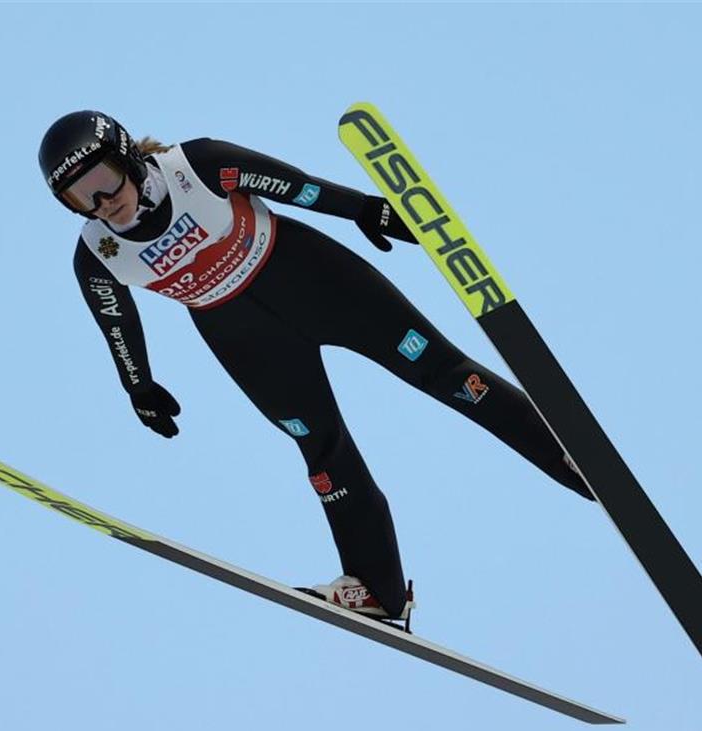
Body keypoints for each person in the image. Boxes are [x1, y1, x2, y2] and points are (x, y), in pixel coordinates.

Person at [38, 110, 592, 621]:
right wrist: (139, 386)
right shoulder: (96, 255)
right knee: (322, 450)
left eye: (104, 181)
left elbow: (296, 185)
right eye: (79, 198)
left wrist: (365, 209)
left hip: (312, 278)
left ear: (130, 156)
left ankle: (568, 456)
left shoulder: (198, 166)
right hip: (243, 337)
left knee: (443, 373)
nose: (101, 203)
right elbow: (117, 324)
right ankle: (378, 591)